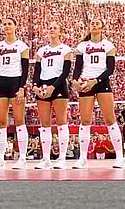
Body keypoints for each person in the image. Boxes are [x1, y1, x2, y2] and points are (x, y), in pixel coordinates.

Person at [74, 18, 125, 169]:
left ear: (102, 27)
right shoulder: (82, 45)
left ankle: (120, 157)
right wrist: (75, 80)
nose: (94, 25)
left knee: (110, 119)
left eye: (97, 23)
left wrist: (95, 81)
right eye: (92, 23)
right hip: (86, 81)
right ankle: (83, 158)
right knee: (85, 121)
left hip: (101, 82)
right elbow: (78, 67)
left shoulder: (108, 45)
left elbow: (110, 69)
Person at [0, 18, 30, 170]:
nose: (6, 26)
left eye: (9, 24)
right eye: (4, 24)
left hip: (16, 81)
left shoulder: (22, 46)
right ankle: (0, 158)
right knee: (1, 122)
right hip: (1, 82)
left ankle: (23, 158)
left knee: (19, 120)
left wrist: (22, 87)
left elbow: (25, 69)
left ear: (15, 26)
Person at [33, 23, 72, 170]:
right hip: (43, 84)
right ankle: (45, 159)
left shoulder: (66, 49)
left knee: (61, 121)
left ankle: (62, 158)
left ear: (61, 32)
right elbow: (37, 71)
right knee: (44, 124)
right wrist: (36, 86)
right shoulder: (42, 50)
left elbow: (66, 72)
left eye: (55, 28)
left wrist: (53, 87)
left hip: (58, 85)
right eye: (50, 28)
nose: (52, 30)